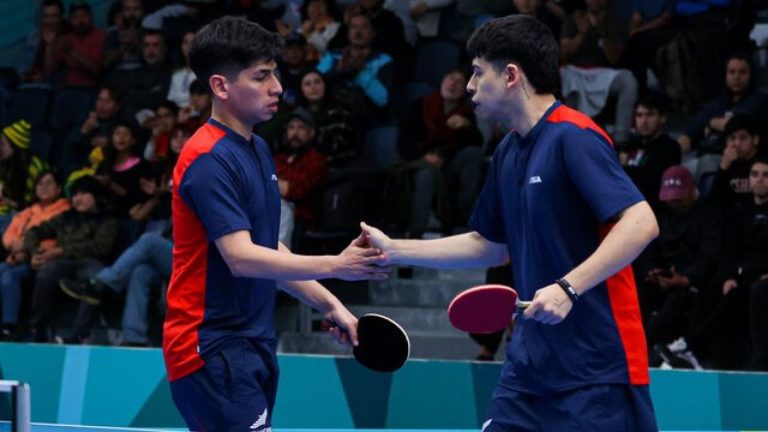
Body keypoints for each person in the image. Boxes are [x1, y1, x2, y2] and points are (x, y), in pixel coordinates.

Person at [361, 15, 660, 431]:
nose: (468, 85)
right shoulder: (507, 152)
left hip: (595, 367)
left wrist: (568, 287)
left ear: (512, 76)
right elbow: (490, 243)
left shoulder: (573, 136)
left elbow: (641, 221)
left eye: (479, 72)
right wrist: (394, 248)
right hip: (529, 367)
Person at [162, 16, 386, 432]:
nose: (278, 87)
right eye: (261, 76)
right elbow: (241, 258)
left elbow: (269, 250)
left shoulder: (258, 148)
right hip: (209, 347)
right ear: (221, 86)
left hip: (252, 342)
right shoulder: (208, 158)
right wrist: (336, 264)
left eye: (276, 74)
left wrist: (332, 305)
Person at [0, 171, 70, 341]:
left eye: (49, 183)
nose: (44, 187)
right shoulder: (28, 211)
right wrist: (14, 247)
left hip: (40, 261)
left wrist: (28, 250)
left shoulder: (65, 210)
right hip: (17, 258)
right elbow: (9, 234)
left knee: (9, 277)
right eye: (40, 183)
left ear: (59, 188)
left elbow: (56, 241)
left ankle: (9, 327)